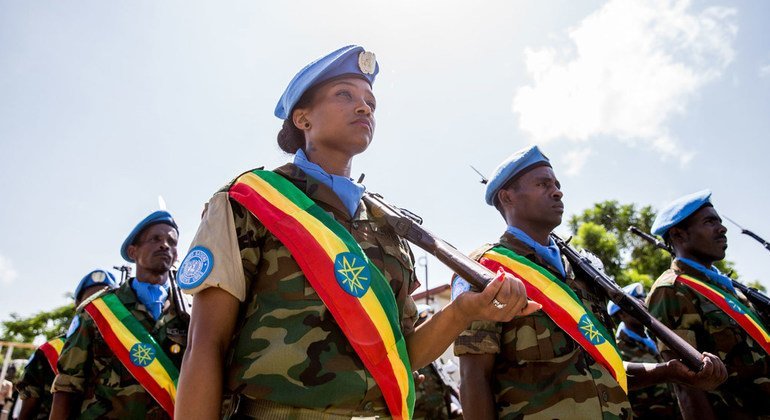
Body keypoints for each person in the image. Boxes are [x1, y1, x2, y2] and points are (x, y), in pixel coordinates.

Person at [174, 45, 536, 419]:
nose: (364, 108)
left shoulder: (390, 225)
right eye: (344, 95)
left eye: (370, 103)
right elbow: (206, 344)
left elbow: (403, 353)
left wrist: (461, 312)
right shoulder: (250, 201)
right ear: (302, 118)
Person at [453, 146, 727, 420]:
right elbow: (474, 376)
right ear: (507, 197)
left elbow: (605, 366)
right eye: (543, 184)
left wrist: (667, 371)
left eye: (557, 184)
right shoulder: (485, 268)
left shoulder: (584, 270)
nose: (558, 191)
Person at [50, 210, 188, 420]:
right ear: (133, 252)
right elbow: (68, 385)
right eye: (156, 239)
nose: (165, 245)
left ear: (177, 255)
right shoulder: (98, 311)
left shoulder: (188, 313)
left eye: (172, 241)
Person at [647, 190, 770, 419]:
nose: (722, 228)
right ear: (679, 235)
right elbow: (687, 384)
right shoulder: (672, 290)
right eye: (709, 221)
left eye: (720, 221)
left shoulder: (730, 291)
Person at [16, 269, 118, 420]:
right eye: (91, 302)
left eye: (104, 301)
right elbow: (29, 405)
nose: (97, 308)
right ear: (78, 305)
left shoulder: (125, 346)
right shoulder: (48, 351)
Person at [607, 283, 680, 419]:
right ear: (622, 314)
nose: (643, 306)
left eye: (643, 301)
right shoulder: (618, 350)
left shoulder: (657, 337)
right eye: (635, 305)